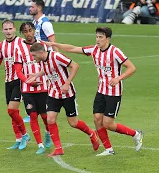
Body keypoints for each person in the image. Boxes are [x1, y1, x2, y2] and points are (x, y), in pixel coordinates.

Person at [45, 27, 144, 156]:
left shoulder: (115, 52)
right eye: (97, 37)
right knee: (97, 119)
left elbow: (131, 68)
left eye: (101, 37)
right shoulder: (94, 50)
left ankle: (136, 134)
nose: (98, 39)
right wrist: (54, 44)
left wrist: (118, 78)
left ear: (107, 39)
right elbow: (73, 48)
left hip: (113, 93)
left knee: (108, 123)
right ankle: (108, 149)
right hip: (101, 91)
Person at [26, 43, 100, 157]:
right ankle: (58, 148)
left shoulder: (56, 56)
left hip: (67, 94)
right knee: (50, 119)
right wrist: (36, 75)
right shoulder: (42, 60)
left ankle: (91, 133)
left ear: (41, 53)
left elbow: (75, 66)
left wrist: (67, 83)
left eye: (34, 56)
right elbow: (48, 70)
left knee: (73, 123)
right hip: (53, 94)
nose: (33, 58)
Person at [0, 20, 30, 150]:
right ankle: (18, 139)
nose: (8, 31)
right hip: (8, 81)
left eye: (10, 29)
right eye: (5, 29)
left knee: (12, 110)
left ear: (14, 29)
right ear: (2, 31)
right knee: (12, 113)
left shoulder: (22, 43)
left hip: (20, 80)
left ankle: (25, 135)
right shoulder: (1, 45)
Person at [13, 22, 52, 154]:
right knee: (33, 115)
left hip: (44, 87)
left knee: (45, 116)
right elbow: (18, 71)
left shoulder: (43, 45)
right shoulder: (19, 48)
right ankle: (40, 145)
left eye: (30, 30)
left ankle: (47, 133)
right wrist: (29, 82)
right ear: (22, 33)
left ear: (34, 30)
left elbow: (50, 63)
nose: (28, 34)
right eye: (25, 31)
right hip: (27, 89)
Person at [23, 0, 58, 123]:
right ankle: (34, 111)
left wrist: (56, 58)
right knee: (39, 82)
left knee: (48, 84)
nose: (30, 9)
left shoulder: (45, 23)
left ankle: (48, 109)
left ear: (38, 8)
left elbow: (53, 42)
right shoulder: (34, 22)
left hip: (46, 58)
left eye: (32, 7)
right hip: (38, 58)